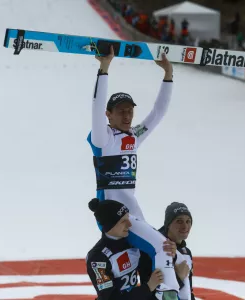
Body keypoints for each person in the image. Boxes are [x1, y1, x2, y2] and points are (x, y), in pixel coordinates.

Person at [87, 46, 191, 300]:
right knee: (161, 246)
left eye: (129, 109)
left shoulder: (133, 138)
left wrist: (168, 73)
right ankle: (169, 295)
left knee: (165, 249)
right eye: (120, 110)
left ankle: (171, 292)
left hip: (134, 214)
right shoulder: (103, 140)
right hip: (115, 217)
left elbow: (158, 113)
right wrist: (104, 69)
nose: (127, 114)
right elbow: (95, 107)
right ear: (108, 115)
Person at [86, 198, 176, 300]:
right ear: (110, 225)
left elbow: (151, 258)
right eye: (123, 221)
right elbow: (110, 297)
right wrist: (148, 287)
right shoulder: (97, 257)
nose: (130, 224)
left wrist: (169, 249)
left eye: (128, 218)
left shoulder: (133, 242)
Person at [138, 202, 195, 300]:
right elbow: (152, 292)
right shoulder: (153, 250)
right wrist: (179, 277)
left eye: (188, 221)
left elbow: (188, 290)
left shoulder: (186, 252)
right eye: (179, 221)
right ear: (168, 224)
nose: (185, 226)